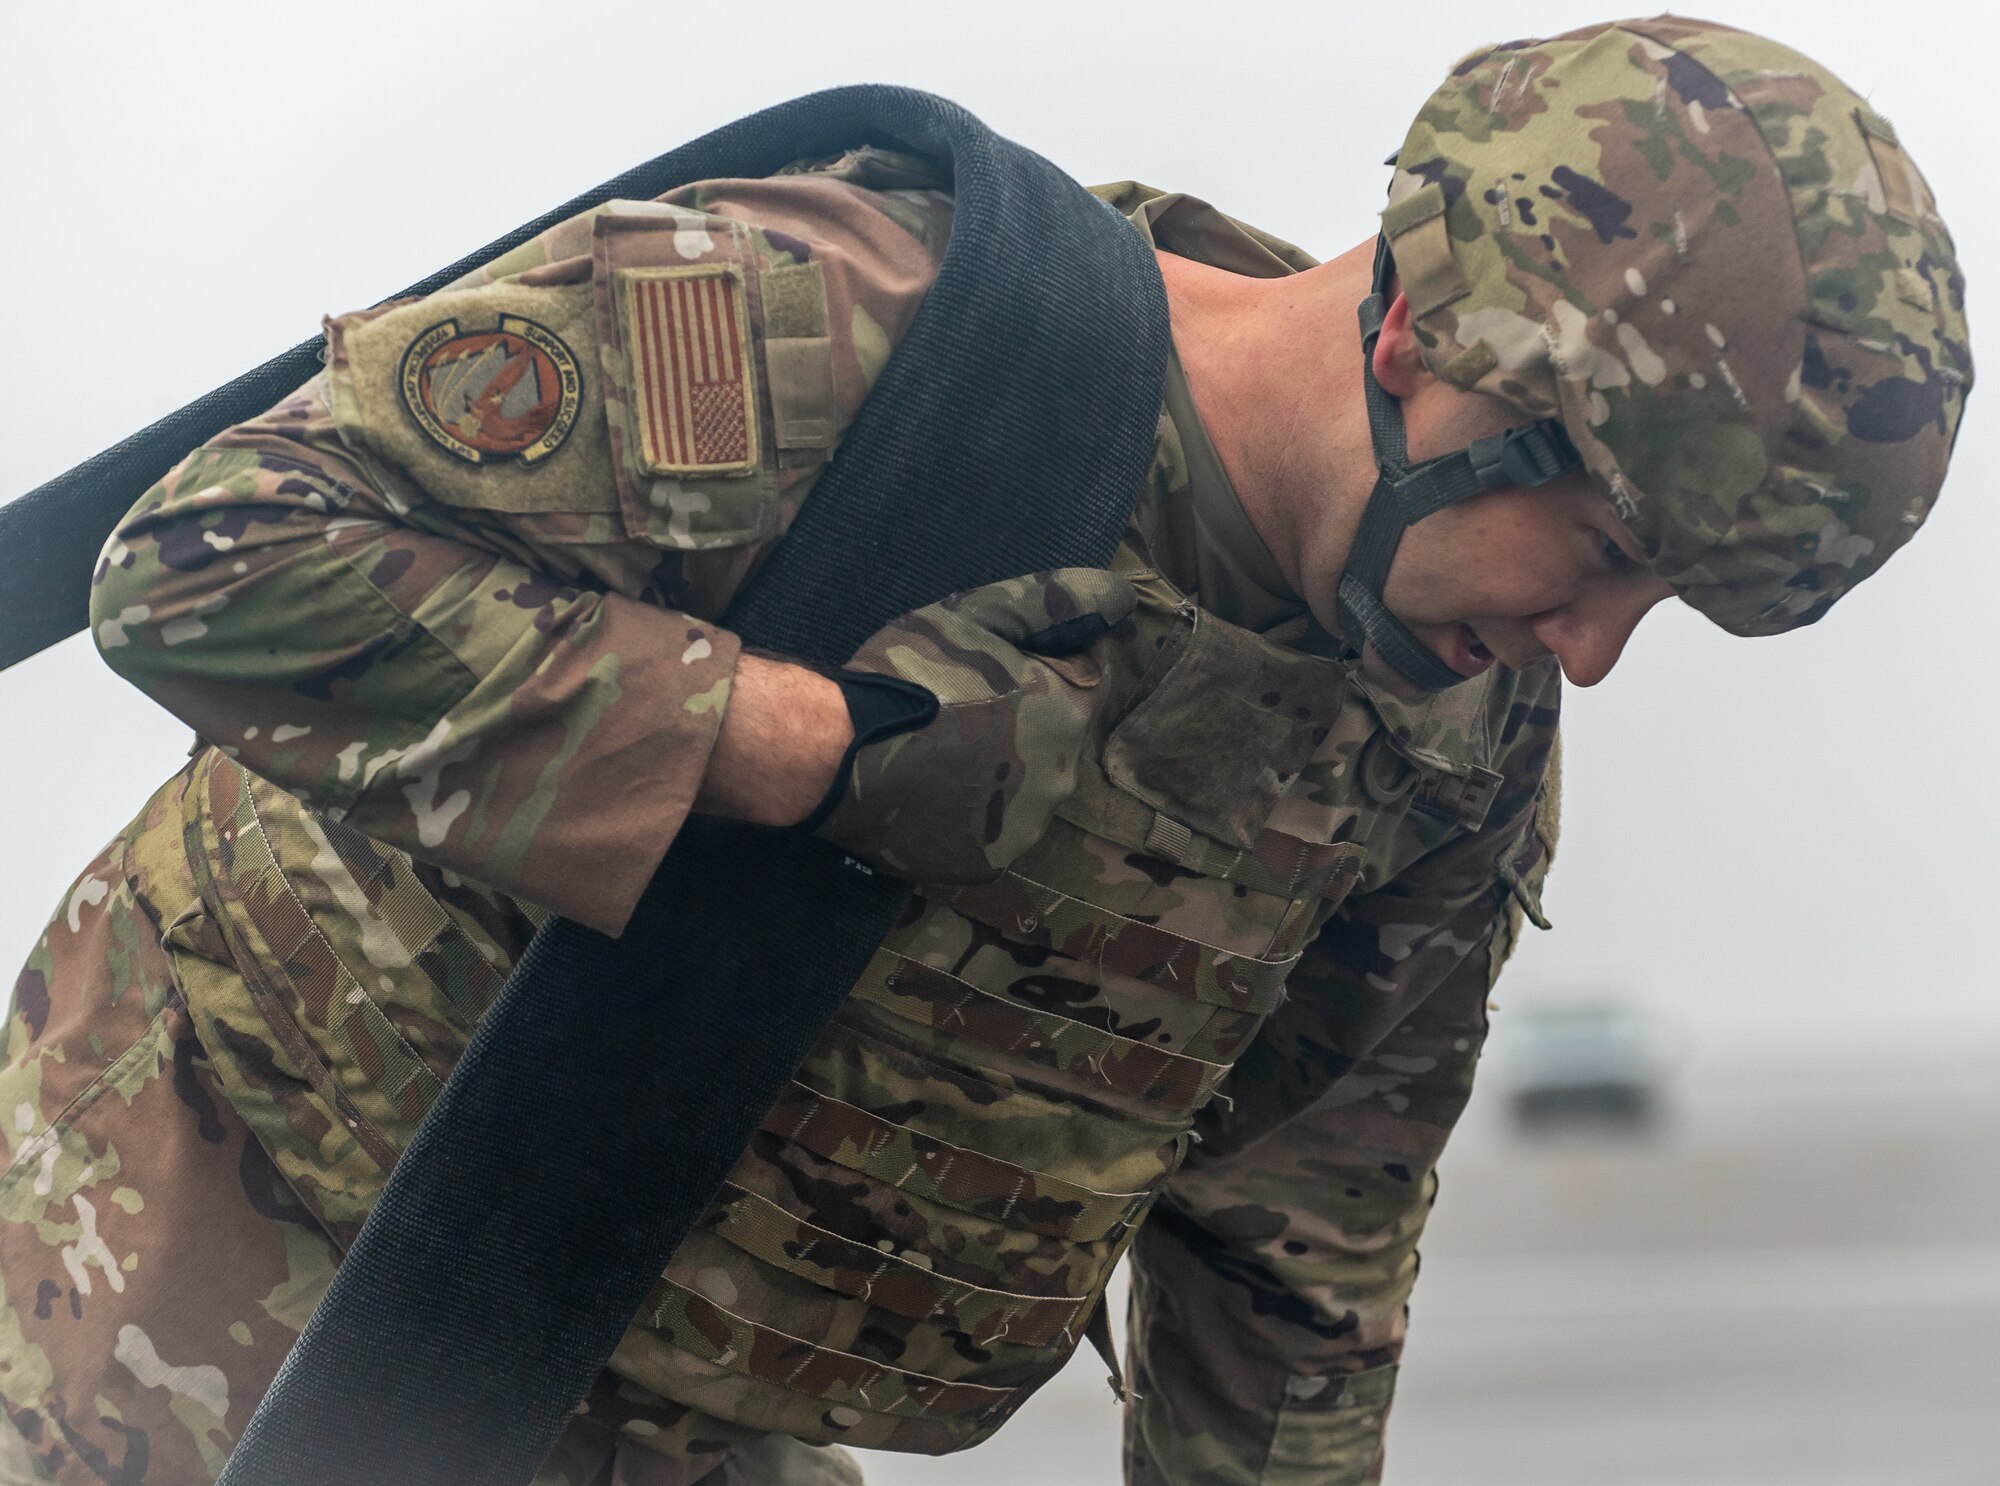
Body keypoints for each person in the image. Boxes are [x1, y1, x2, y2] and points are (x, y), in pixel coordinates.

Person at [0, 15, 1966, 1486]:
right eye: (1605, 556)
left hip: (689, 1391)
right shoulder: (845, 345)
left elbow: (1295, 1236)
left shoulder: (1441, 723)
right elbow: (203, 561)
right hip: (215, 1231)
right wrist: (787, 745)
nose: (1591, 653)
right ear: (1424, 361)